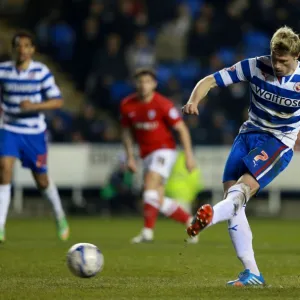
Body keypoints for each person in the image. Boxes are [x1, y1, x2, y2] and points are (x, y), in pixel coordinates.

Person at [182, 26, 300, 286]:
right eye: (274, 58)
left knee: (241, 190)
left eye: (284, 61)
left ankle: (210, 216)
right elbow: (211, 80)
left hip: (279, 142)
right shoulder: (255, 66)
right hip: (248, 134)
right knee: (233, 201)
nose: (277, 65)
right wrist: (193, 100)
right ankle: (252, 273)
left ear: (296, 56)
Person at [0, 31, 69, 242]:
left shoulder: (41, 72)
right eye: (18, 45)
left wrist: (35, 106)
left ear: (32, 50)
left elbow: (58, 101)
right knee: (4, 169)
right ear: (13, 49)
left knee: (42, 180)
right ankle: (0, 226)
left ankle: (60, 216)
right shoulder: (3, 71)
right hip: (9, 129)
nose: (22, 49)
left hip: (34, 132)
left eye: (26, 45)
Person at [120, 68, 197, 244]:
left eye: (147, 81)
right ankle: (191, 222)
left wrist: (189, 156)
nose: (143, 85)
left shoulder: (163, 104)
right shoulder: (127, 105)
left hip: (164, 150)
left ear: (154, 84)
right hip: (145, 154)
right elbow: (125, 132)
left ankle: (147, 232)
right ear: (135, 84)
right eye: (140, 81)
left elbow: (182, 129)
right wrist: (130, 157)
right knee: (156, 198)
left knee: (149, 186)